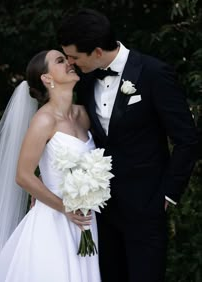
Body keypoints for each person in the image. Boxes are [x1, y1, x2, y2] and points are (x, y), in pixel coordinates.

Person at [57, 8, 198, 282]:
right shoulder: (84, 80)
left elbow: (187, 139)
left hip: (147, 207)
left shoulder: (154, 73)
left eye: (74, 56)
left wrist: (168, 195)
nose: (71, 63)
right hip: (101, 212)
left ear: (97, 51)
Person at [0, 50, 101, 282]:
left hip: (86, 220)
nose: (69, 63)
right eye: (60, 61)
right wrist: (65, 208)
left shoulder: (83, 115)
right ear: (47, 79)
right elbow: (23, 175)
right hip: (55, 221)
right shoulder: (43, 120)